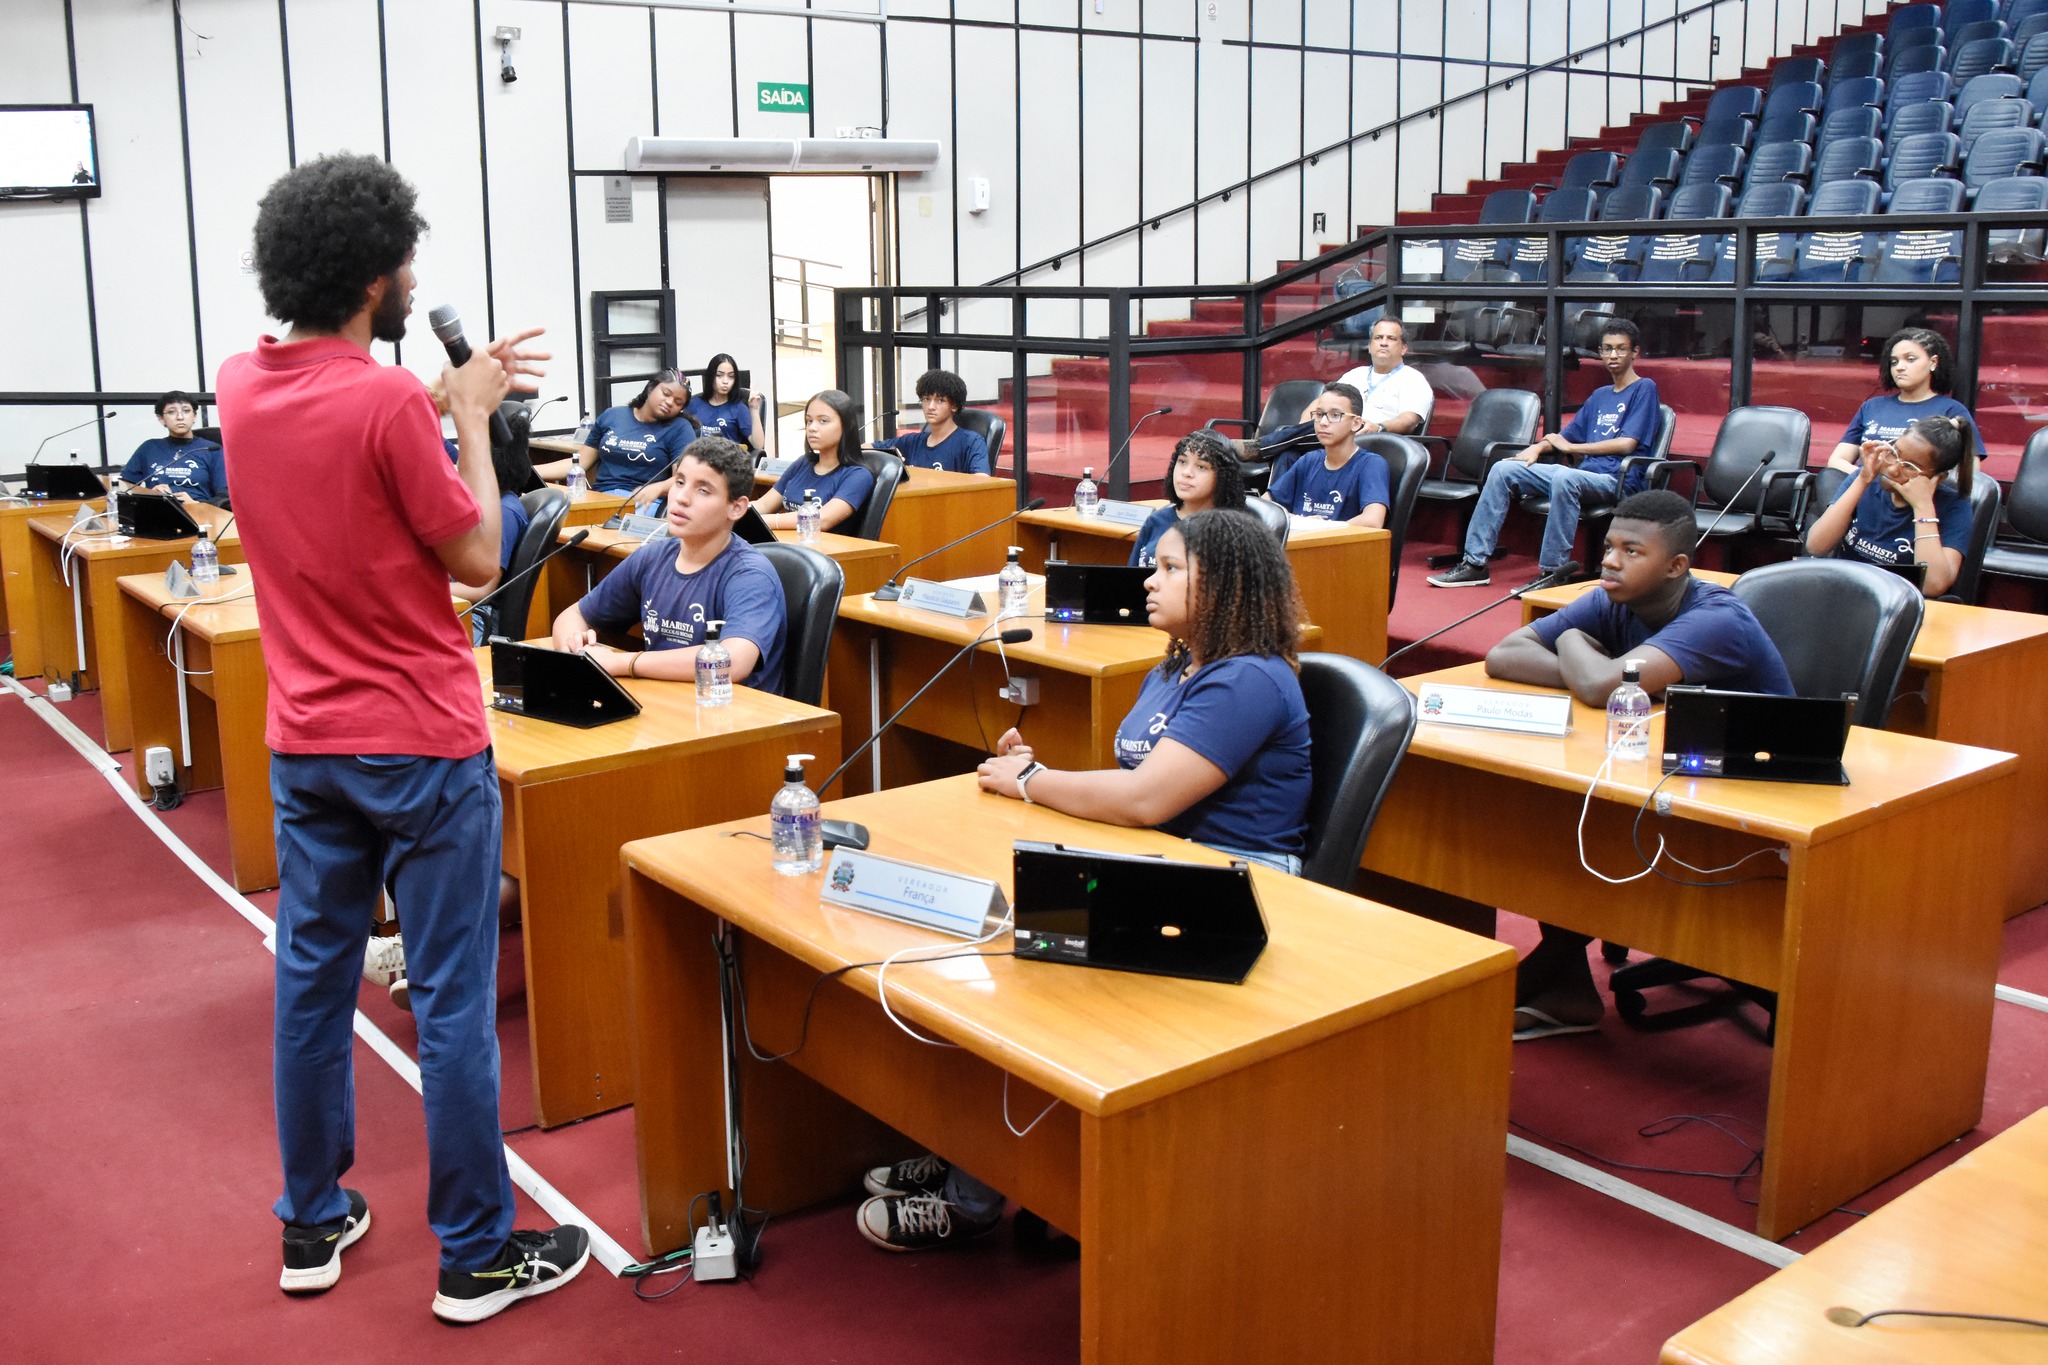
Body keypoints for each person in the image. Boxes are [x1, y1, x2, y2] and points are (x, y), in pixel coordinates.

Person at [214, 151, 588, 1323]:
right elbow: (479, 553)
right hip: (421, 745)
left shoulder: (239, 383)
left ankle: (311, 1221)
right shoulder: (385, 404)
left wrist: (433, 394)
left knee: (311, 987)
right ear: (377, 276)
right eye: (408, 261)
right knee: (454, 998)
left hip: (305, 741)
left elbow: (344, 414)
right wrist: (470, 415)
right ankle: (475, 1254)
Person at [858, 509, 1311, 1253]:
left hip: (1232, 891)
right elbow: (1133, 776)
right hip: (1161, 868)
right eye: (1153, 564)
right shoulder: (1179, 662)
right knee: (998, 924)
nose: (1148, 581)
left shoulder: (1250, 679)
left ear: (1225, 583)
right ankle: (979, 1152)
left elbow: (1144, 797)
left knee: (1029, 975)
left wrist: (1034, 780)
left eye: (1170, 569)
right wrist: (1034, 767)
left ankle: (975, 1193)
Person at [1483, 489, 1793, 1040]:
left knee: (1571, 828)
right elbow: (1505, 654)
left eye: (1631, 551)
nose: (1609, 561)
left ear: (1677, 567)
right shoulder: (1613, 598)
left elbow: (1605, 686)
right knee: (1547, 815)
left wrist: (1577, 646)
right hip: (1662, 775)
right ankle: (1565, 988)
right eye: (1608, 547)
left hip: (1756, 797)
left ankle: (1553, 983)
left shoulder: (1717, 619)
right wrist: (1593, 670)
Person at [1428, 319, 1660, 591]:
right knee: (1503, 470)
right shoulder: (1599, 395)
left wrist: (1573, 450)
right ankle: (1475, 564)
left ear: (1635, 353)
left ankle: (1553, 572)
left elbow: (1627, 444)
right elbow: (1565, 437)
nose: (1613, 355)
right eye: (1608, 348)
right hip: (1581, 475)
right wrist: (1538, 447)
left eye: (1621, 349)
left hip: (1616, 480)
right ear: (1599, 352)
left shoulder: (1645, 388)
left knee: (1564, 477)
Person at [551, 435, 787, 693]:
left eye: (703, 490)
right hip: (666, 703)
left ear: (737, 508)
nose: (682, 498)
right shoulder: (653, 556)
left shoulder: (750, 574)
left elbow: (732, 661)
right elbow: (573, 615)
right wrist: (574, 648)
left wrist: (625, 662)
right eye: (680, 482)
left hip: (736, 718)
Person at [1806, 415, 1977, 599]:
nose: (1894, 469)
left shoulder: (1954, 505)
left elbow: (1932, 586)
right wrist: (1863, 480)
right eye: (1894, 454)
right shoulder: (1864, 480)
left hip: (1902, 603)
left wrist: (1923, 506)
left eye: (1910, 467)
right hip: (1848, 591)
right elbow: (1816, 546)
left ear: (1938, 477)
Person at [1251, 319, 1435, 458]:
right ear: (1370, 346)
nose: (1384, 343)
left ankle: (1257, 448)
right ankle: (1278, 506)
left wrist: (1379, 427)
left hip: (1375, 442)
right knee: (1288, 455)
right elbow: (1318, 405)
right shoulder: (1355, 374)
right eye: (1378, 338)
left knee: (1292, 441)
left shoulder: (1413, 379)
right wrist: (1302, 431)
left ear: (1403, 348)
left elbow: (1408, 421)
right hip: (1336, 438)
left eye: (1391, 338)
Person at [1823, 328, 1982, 475]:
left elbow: (1970, 472)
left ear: (1933, 363)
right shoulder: (1872, 406)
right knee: (1827, 477)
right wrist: (1868, 478)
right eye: (1894, 362)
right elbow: (1837, 460)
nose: (1899, 367)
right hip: (1865, 492)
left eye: (1910, 359)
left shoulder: (1951, 411)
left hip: (1915, 494)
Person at [533, 368, 698, 500]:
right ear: (650, 388)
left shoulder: (680, 429)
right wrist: (530, 471)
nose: (669, 402)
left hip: (643, 501)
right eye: (666, 393)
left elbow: (682, 480)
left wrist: (657, 488)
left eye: (678, 402)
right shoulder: (612, 415)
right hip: (601, 497)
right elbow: (579, 463)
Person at [1262, 381, 1389, 527]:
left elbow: (1373, 521)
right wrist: (1301, 521)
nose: (1323, 422)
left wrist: (1323, 527)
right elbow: (1266, 504)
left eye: (1335, 415)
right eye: (1319, 414)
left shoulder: (1371, 464)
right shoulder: (1309, 460)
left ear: (1356, 423)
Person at [754, 389, 875, 534]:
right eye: (809, 421)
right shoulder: (803, 463)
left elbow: (821, 520)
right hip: (788, 545)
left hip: (825, 551)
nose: (812, 428)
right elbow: (764, 504)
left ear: (846, 426)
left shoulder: (858, 475)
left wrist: (762, 521)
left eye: (823, 421)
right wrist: (731, 513)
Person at [1129, 429, 1248, 567]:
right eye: (1182, 462)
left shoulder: (1231, 532)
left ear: (1223, 477)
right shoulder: (1156, 520)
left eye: (1201, 467)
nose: (1186, 473)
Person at [869, 368, 990, 474]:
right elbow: (866, 448)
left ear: (954, 406)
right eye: (926, 399)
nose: (931, 406)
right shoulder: (911, 441)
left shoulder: (971, 442)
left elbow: (982, 481)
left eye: (940, 400)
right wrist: (886, 458)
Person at [116, 391, 227, 504]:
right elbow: (124, 487)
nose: (180, 417)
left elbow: (225, 497)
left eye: (186, 411)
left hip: (200, 514)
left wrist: (196, 504)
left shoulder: (211, 449)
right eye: (171, 412)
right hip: (159, 511)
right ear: (161, 419)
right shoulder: (149, 448)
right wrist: (151, 495)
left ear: (194, 416)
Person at [685, 353, 766, 451]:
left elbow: (758, 445)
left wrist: (753, 408)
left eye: (731, 376)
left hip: (728, 462)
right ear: (711, 377)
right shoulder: (693, 404)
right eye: (719, 375)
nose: (725, 381)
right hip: (697, 460)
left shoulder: (738, 408)